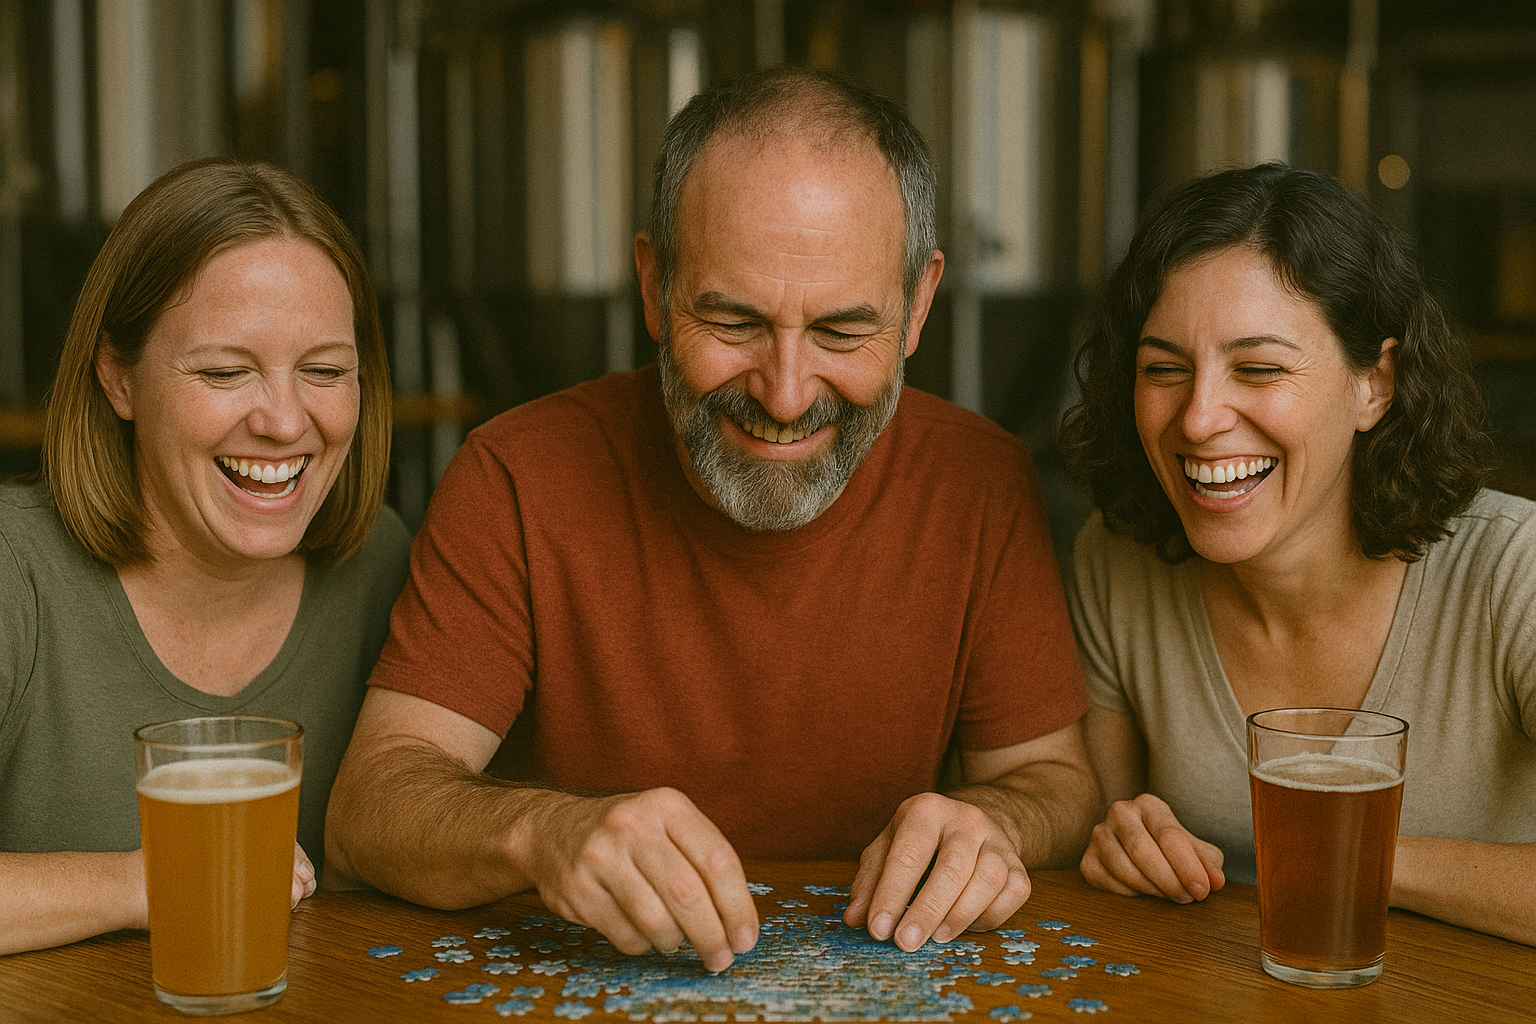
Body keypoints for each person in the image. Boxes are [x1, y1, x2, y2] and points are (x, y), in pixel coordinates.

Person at [326, 67, 1100, 974]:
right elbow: (367, 809)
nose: (784, 391)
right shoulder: (514, 473)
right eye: (733, 320)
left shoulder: (983, 482)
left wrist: (991, 822)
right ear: (655, 286)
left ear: (918, 305)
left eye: (843, 332)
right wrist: (543, 832)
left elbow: (1056, 783)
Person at [1059, 162, 1536, 945]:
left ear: (1374, 384)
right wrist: (1119, 847)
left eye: (1260, 369)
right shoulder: (1117, 564)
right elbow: (1108, 826)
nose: (1200, 417)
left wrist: (1347, 857)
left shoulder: (1514, 573)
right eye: (1163, 369)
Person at [0, 157, 412, 955]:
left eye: (326, 371)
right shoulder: (14, 570)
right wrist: (142, 882)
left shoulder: (381, 563)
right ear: (118, 377)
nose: (286, 422)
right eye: (226, 372)